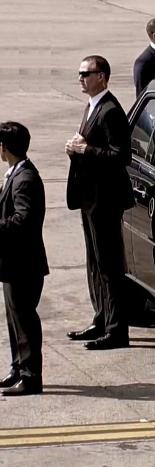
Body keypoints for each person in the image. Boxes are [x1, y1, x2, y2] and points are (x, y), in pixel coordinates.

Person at [65, 55, 134, 350]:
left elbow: (121, 157)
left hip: (105, 200)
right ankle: (102, 318)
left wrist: (85, 150)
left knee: (109, 265)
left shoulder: (110, 111)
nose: (81, 78)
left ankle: (117, 329)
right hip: (89, 198)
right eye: (80, 73)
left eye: (86, 73)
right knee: (95, 263)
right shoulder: (92, 105)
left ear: (102, 76)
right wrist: (76, 150)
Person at [0, 121, 48, 396]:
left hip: (23, 264)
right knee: (14, 319)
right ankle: (18, 367)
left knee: (25, 320)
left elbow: (23, 220)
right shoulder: (15, 173)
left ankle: (31, 377)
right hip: (12, 263)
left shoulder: (25, 179)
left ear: (6, 148)